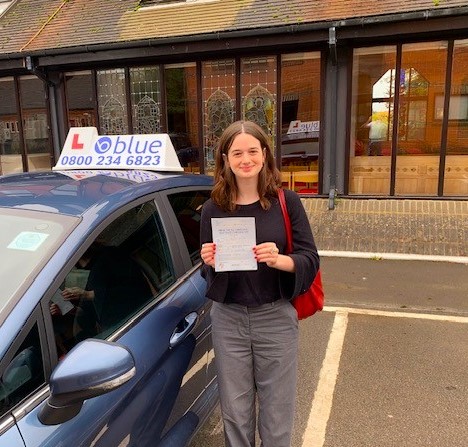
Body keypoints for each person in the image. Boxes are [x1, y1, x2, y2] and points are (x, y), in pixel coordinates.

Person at [200, 120, 320, 447]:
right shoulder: (213, 208)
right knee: (235, 410)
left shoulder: (286, 202)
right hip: (229, 318)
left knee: (277, 409)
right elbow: (209, 276)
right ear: (225, 159)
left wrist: (279, 259)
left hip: (275, 316)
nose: (246, 159)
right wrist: (208, 261)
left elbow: (311, 258)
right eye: (236, 153)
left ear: (265, 155)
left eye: (253, 151)